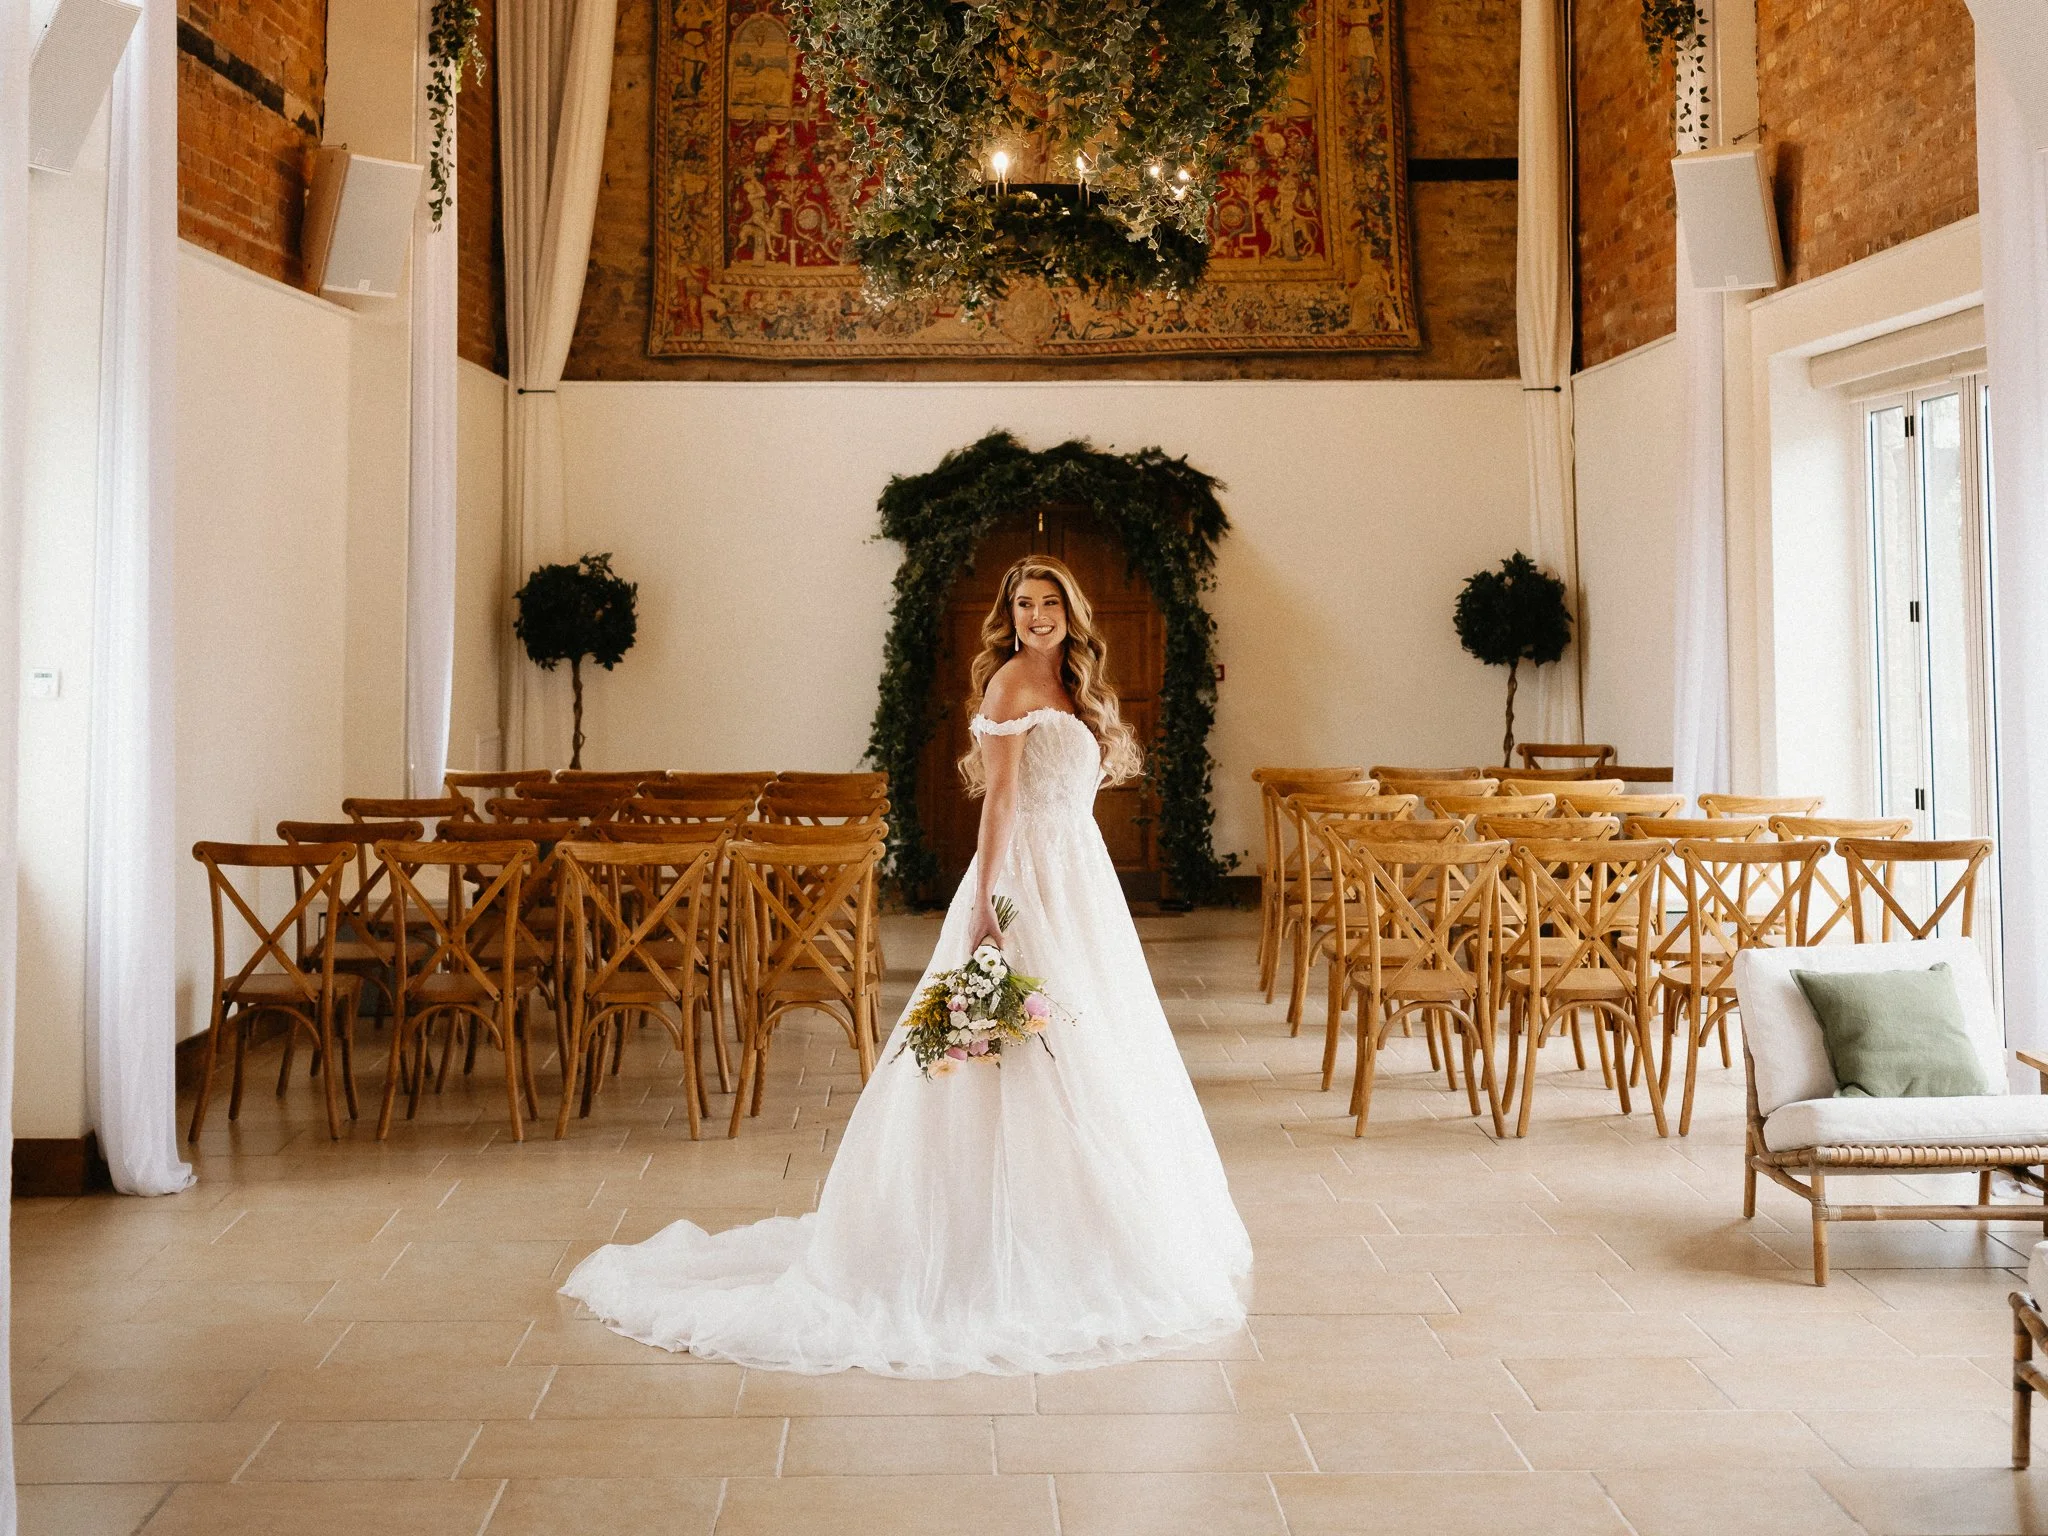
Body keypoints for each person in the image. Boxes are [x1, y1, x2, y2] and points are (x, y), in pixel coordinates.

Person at [560, 555, 1252, 1377]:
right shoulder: (1006, 689)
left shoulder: (1075, 684)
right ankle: (972, 1242)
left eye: (1050, 602)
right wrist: (991, 907)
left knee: (1095, 1051)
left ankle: (1082, 1225)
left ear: (1072, 611)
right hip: (1026, 882)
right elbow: (999, 801)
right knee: (1003, 1057)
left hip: (1081, 885)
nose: (1037, 616)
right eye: (1024, 604)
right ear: (1010, 614)